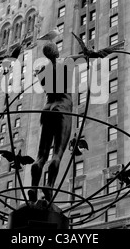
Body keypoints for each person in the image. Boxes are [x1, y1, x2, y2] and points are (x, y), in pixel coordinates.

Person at [28, 41, 84, 202]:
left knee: (41, 156)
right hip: (62, 108)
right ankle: (49, 185)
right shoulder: (67, 62)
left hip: (47, 109)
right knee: (57, 153)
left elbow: (44, 84)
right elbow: (91, 56)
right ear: (56, 52)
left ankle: (33, 187)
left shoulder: (43, 71)